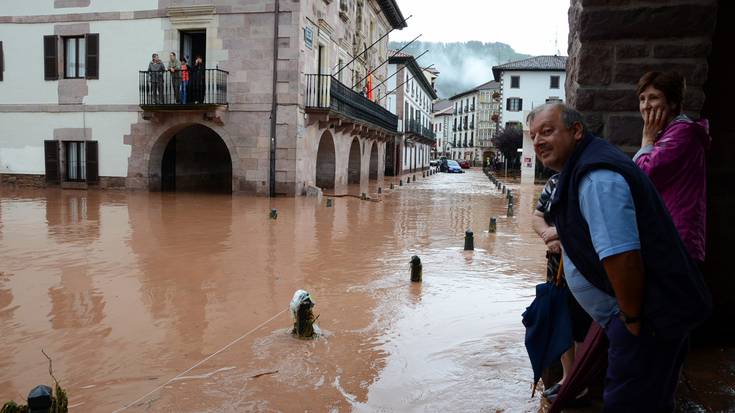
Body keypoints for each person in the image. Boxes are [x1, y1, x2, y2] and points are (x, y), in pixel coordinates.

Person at [528, 102, 711, 411]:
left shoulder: (595, 178)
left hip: (646, 320)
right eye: (533, 135)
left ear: (576, 131)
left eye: (547, 131)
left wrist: (631, 321)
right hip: (638, 316)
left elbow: (621, 256)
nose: (538, 141)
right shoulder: (581, 170)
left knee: (628, 402)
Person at [633, 71, 710, 267]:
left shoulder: (682, 133)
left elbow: (644, 176)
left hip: (676, 240)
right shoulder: (669, 134)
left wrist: (647, 139)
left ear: (673, 103)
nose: (646, 105)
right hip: (668, 238)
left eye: (654, 98)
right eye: (642, 99)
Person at [531, 174, 591, 402]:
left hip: (585, 266)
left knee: (581, 322)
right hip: (557, 267)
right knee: (562, 319)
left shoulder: (591, 180)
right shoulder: (554, 182)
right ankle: (568, 378)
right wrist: (549, 236)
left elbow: (588, 222)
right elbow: (537, 217)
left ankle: (580, 383)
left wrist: (559, 232)